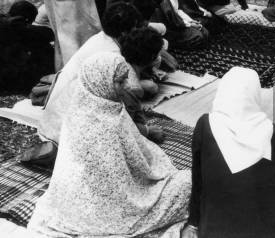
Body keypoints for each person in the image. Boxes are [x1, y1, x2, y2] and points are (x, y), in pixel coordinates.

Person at [28, 53, 190, 238]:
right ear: (100, 81)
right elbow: (120, 186)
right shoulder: (100, 123)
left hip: (86, 203)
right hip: (110, 209)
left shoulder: (90, 107)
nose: (127, 86)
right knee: (188, 184)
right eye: (120, 82)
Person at [183, 67, 275, 238]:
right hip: (271, 225)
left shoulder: (205, 126)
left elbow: (198, 179)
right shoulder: (272, 131)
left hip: (219, 228)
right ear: (255, 94)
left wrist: (194, 222)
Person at [38, 2, 163, 144]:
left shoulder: (101, 38)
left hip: (54, 120)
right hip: (68, 131)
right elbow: (125, 105)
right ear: (124, 32)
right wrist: (146, 131)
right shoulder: (114, 58)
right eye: (136, 28)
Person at [0, 0, 54, 96]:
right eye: (29, 22)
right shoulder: (13, 25)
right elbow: (47, 34)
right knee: (42, 50)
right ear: (25, 19)